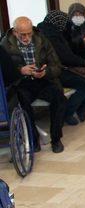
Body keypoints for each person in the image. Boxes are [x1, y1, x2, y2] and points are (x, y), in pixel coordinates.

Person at [1, 17, 65, 153]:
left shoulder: (42, 40)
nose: (26, 37)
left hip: (43, 79)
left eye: (29, 33)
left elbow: (57, 66)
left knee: (59, 98)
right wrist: (21, 71)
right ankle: (33, 140)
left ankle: (56, 139)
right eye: (22, 34)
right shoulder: (5, 45)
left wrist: (45, 72)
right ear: (14, 32)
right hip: (21, 82)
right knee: (23, 103)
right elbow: (5, 74)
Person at [37, 10, 85, 125]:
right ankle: (66, 113)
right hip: (58, 70)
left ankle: (83, 108)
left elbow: (70, 50)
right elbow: (63, 57)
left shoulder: (57, 32)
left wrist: (82, 48)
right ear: (59, 23)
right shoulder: (49, 36)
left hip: (68, 66)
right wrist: (83, 63)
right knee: (84, 86)